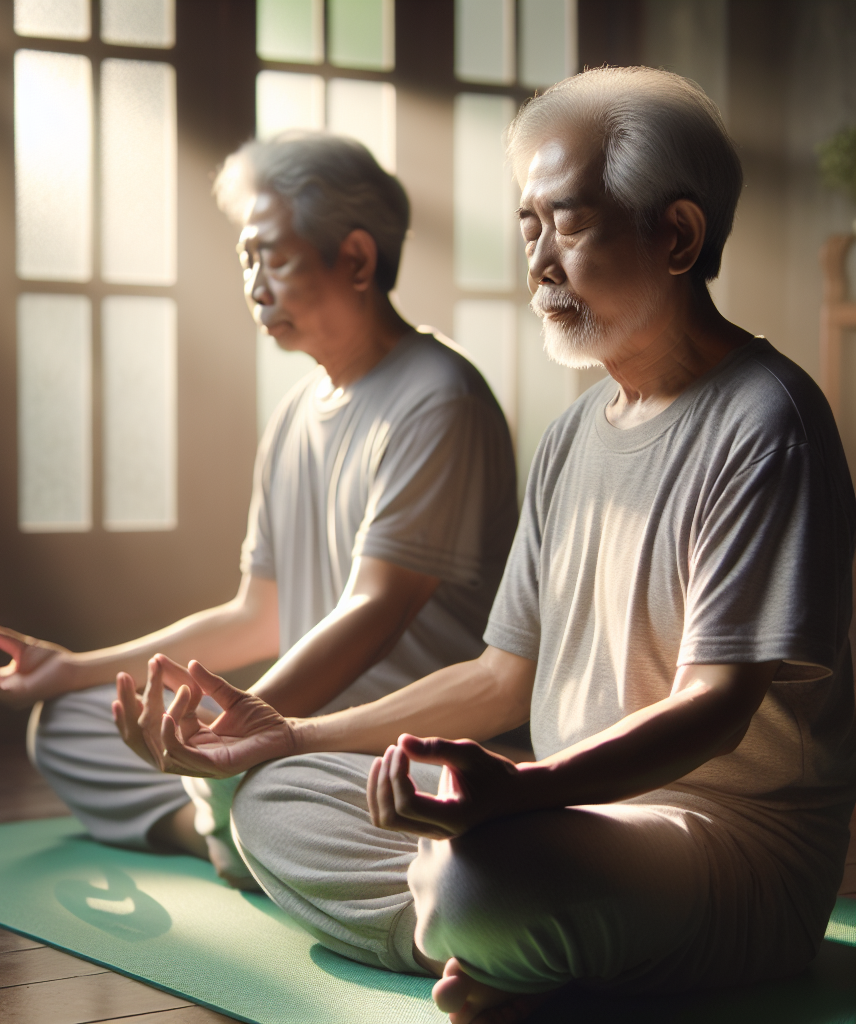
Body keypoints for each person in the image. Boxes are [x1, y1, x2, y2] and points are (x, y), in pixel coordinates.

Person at [112, 67, 856, 1022]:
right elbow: (501, 679)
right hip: (561, 822)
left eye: (570, 223)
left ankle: (476, 919)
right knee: (272, 797)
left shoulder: (769, 419)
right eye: (527, 227)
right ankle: (491, 940)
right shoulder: (576, 431)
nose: (539, 262)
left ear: (676, 235)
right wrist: (292, 731)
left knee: (486, 875)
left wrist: (524, 790)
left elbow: (713, 709)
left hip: (722, 845)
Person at [0, 132, 519, 884]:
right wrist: (72, 670)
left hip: (380, 742)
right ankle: (222, 837)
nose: (255, 283)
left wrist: (244, 729)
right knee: (69, 723)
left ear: (355, 259)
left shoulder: (438, 398)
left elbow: (375, 608)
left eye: (274, 257)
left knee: (267, 781)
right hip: (290, 732)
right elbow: (255, 616)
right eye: (244, 259)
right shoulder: (294, 413)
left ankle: (243, 825)